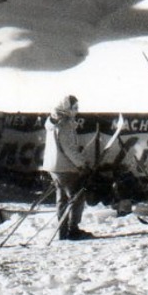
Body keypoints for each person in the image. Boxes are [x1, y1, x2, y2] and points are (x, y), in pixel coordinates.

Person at [41, 95, 93, 240]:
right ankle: (73, 230)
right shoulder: (65, 124)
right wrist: (82, 164)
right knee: (76, 197)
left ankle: (62, 231)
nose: (77, 111)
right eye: (74, 108)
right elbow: (68, 148)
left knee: (62, 199)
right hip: (65, 167)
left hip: (54, 166)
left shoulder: (54, 121)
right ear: (67, 108)